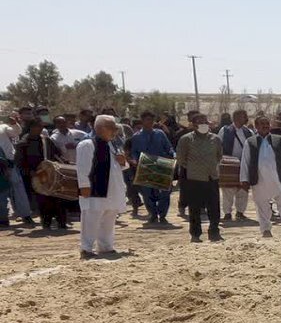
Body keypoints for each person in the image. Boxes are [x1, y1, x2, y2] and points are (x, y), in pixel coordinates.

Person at [76, 115, 127, 258]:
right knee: (91, 218)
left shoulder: (112, 144)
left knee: (108, 219)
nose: (114, 131)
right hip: (95, 189)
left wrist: (123, 161)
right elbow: (83, 168)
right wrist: (84, 186)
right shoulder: (87, 144)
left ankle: (106, 246)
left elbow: (118, 167)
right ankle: (86, 248)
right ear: (101, 128)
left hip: (112, 189)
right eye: (112, 128)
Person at [239, 116, 281, 237]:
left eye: (267, 123)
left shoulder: (279, 140)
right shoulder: (250, 142)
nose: (265, 126)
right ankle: (266, 229)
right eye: (262, 124)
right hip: (259, 180)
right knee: (262, 205)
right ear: (256, 126)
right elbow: (245, 162)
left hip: (279, 178)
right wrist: (244, 180)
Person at [176, 114, 224, 243]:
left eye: (204, 121)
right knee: (195, 208)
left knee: (214, 207)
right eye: (199, 121)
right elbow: (181, 158)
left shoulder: (216, 139)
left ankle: (214, 232)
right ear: (193, 124)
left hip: (212, 177)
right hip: (194, 178)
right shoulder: (186, 139)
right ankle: (195, 234)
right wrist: (194, 167)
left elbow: (219, 156)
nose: (203, 123)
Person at [15, 119, 68, 229]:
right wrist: (31, 172)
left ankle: (61, 222)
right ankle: (46, 223)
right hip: (36, 177)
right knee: (43, 200)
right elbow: (19, 162)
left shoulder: (46, 141)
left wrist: (65, 162)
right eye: (37, 126)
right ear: (31, 128)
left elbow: (57, 155)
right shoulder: (23, 144)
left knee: (58, 197)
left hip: (51, 174)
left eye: (41, 127)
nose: (40, 129)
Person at [129, 110, 176, 224]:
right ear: (142, 121)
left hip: (161, 164)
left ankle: (162, 215)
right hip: (146, 165)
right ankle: (153, 214)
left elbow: (168, 147)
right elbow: (134, 152)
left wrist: (173, 154)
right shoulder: (136, 137)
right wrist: (135, 160)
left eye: (151, 120)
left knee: (165, 192)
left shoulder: (160, 133)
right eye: (147, 120)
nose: (149, 122)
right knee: (147, 193)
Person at [219, 109, 253, 221]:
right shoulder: (225, 130)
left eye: (244, 117)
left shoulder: (249, 132)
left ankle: (240, 212)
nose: (242, 119)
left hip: (244, 164)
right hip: (229, 165)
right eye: (240, 117)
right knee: (228, 189)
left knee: (243, 189)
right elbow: (218, 145)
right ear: (235, 118)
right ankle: (227, 213)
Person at [0, 112, 34, 226]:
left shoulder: (3, 127)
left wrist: (14, 123)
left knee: (18, 189)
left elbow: (16, 132)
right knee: (2, 192)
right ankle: (3, 218)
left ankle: (26, 215)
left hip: (9, 162)